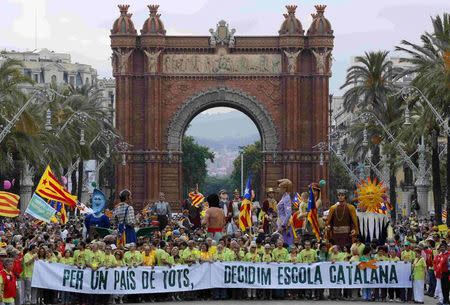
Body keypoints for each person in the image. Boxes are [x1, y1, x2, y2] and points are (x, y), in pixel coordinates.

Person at [276, 179, 293, 245]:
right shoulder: (284, 197)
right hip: (281, 222)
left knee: (286, 243)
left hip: (285, 225)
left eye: (279, 187)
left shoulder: (287, 198)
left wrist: (283, 225)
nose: (278, 189)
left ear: (285, 189)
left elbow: (288, 213)